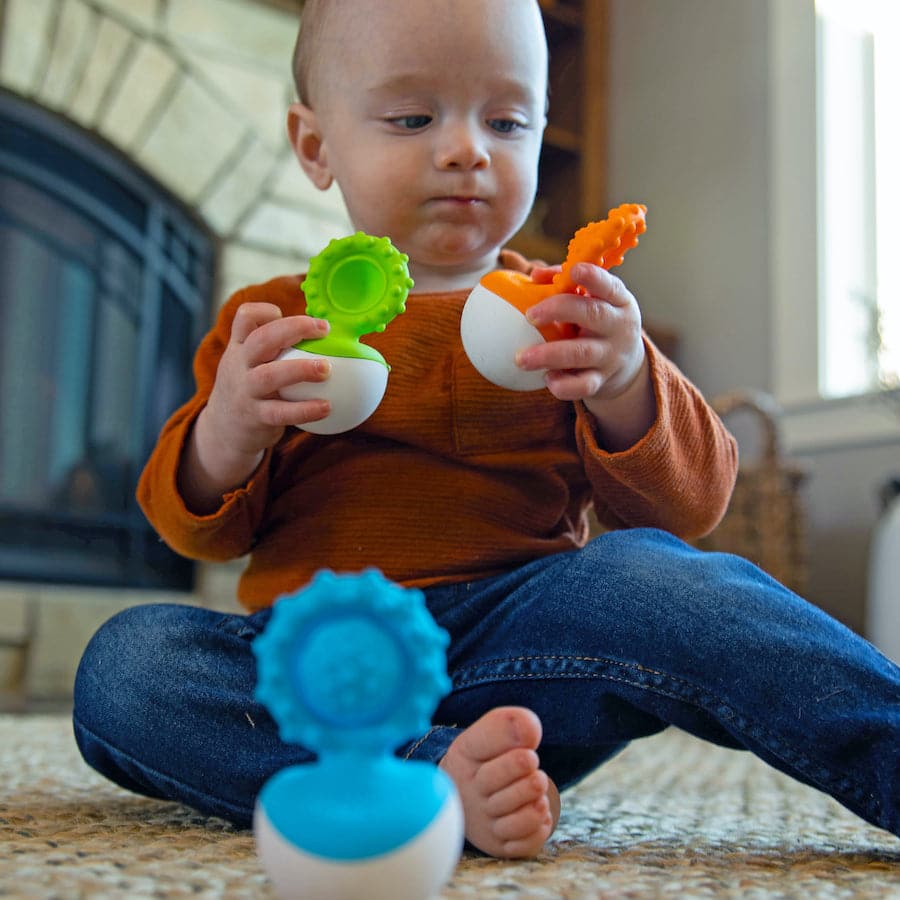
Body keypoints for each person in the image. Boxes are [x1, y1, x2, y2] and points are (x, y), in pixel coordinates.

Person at [73, 0, 899, 860]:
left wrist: (624, 382)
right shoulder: (273, 324)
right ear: (316, 147)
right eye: (413, 118)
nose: (467, 149)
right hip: (318, 671)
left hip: (519, 663)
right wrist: (232, 428)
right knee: (131, 664)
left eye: (506, 122)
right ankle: (427, 781)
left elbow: (692, 506)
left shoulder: (566, 313)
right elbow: (193, 528)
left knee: (651, 575)